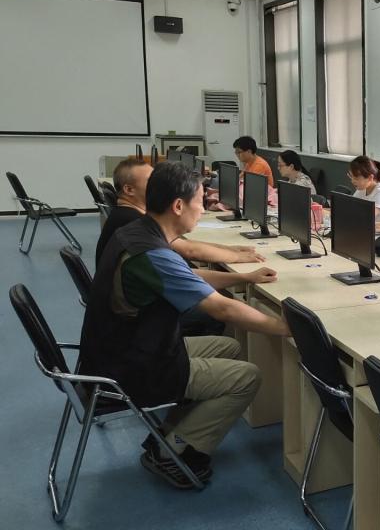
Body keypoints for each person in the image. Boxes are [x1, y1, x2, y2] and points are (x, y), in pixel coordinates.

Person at [80, 162, 289, 489]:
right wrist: (287, 328)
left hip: (121, 349)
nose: (203, 209)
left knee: (229, 346)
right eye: (200, 201)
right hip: (132, 368)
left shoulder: (139, 233)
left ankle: (168, 434)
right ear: (178, 206)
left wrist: (243, 278)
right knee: (248, 376)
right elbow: (222, 309)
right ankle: (175, 451)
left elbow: (186, 276)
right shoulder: (151, 253)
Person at [96, 158, 264, 266]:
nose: (158, 183)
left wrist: (230, 249)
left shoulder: (127, 214)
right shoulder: (132, 220)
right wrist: (236, 257)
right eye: (151, 180)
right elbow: (189, 250)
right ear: (129, 190)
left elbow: (185, 245)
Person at [348, 155, 380, 222]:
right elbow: (351, 208)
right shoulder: (362, 188)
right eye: (351, 177)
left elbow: (366, 217)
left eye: (356, 178)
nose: (352, 181)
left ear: (370, 178)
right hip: (369, 226)